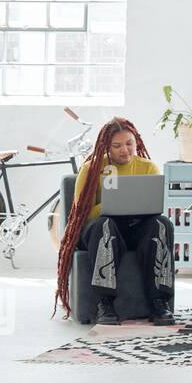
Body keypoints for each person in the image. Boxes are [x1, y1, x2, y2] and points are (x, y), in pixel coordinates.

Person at [54, 117, 174, 325]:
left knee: (162, 224)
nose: (125, 150)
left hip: (137, 227)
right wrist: (110, 202)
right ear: (106, 146)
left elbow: (154, 206)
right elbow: (83, 214)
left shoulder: (148, 167)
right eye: (117, 146)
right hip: (101, 227)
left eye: (129, 144)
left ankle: (159, 301)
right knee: (105, 225)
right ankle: (105, 303)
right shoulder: (91, 168)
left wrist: (132, 204)